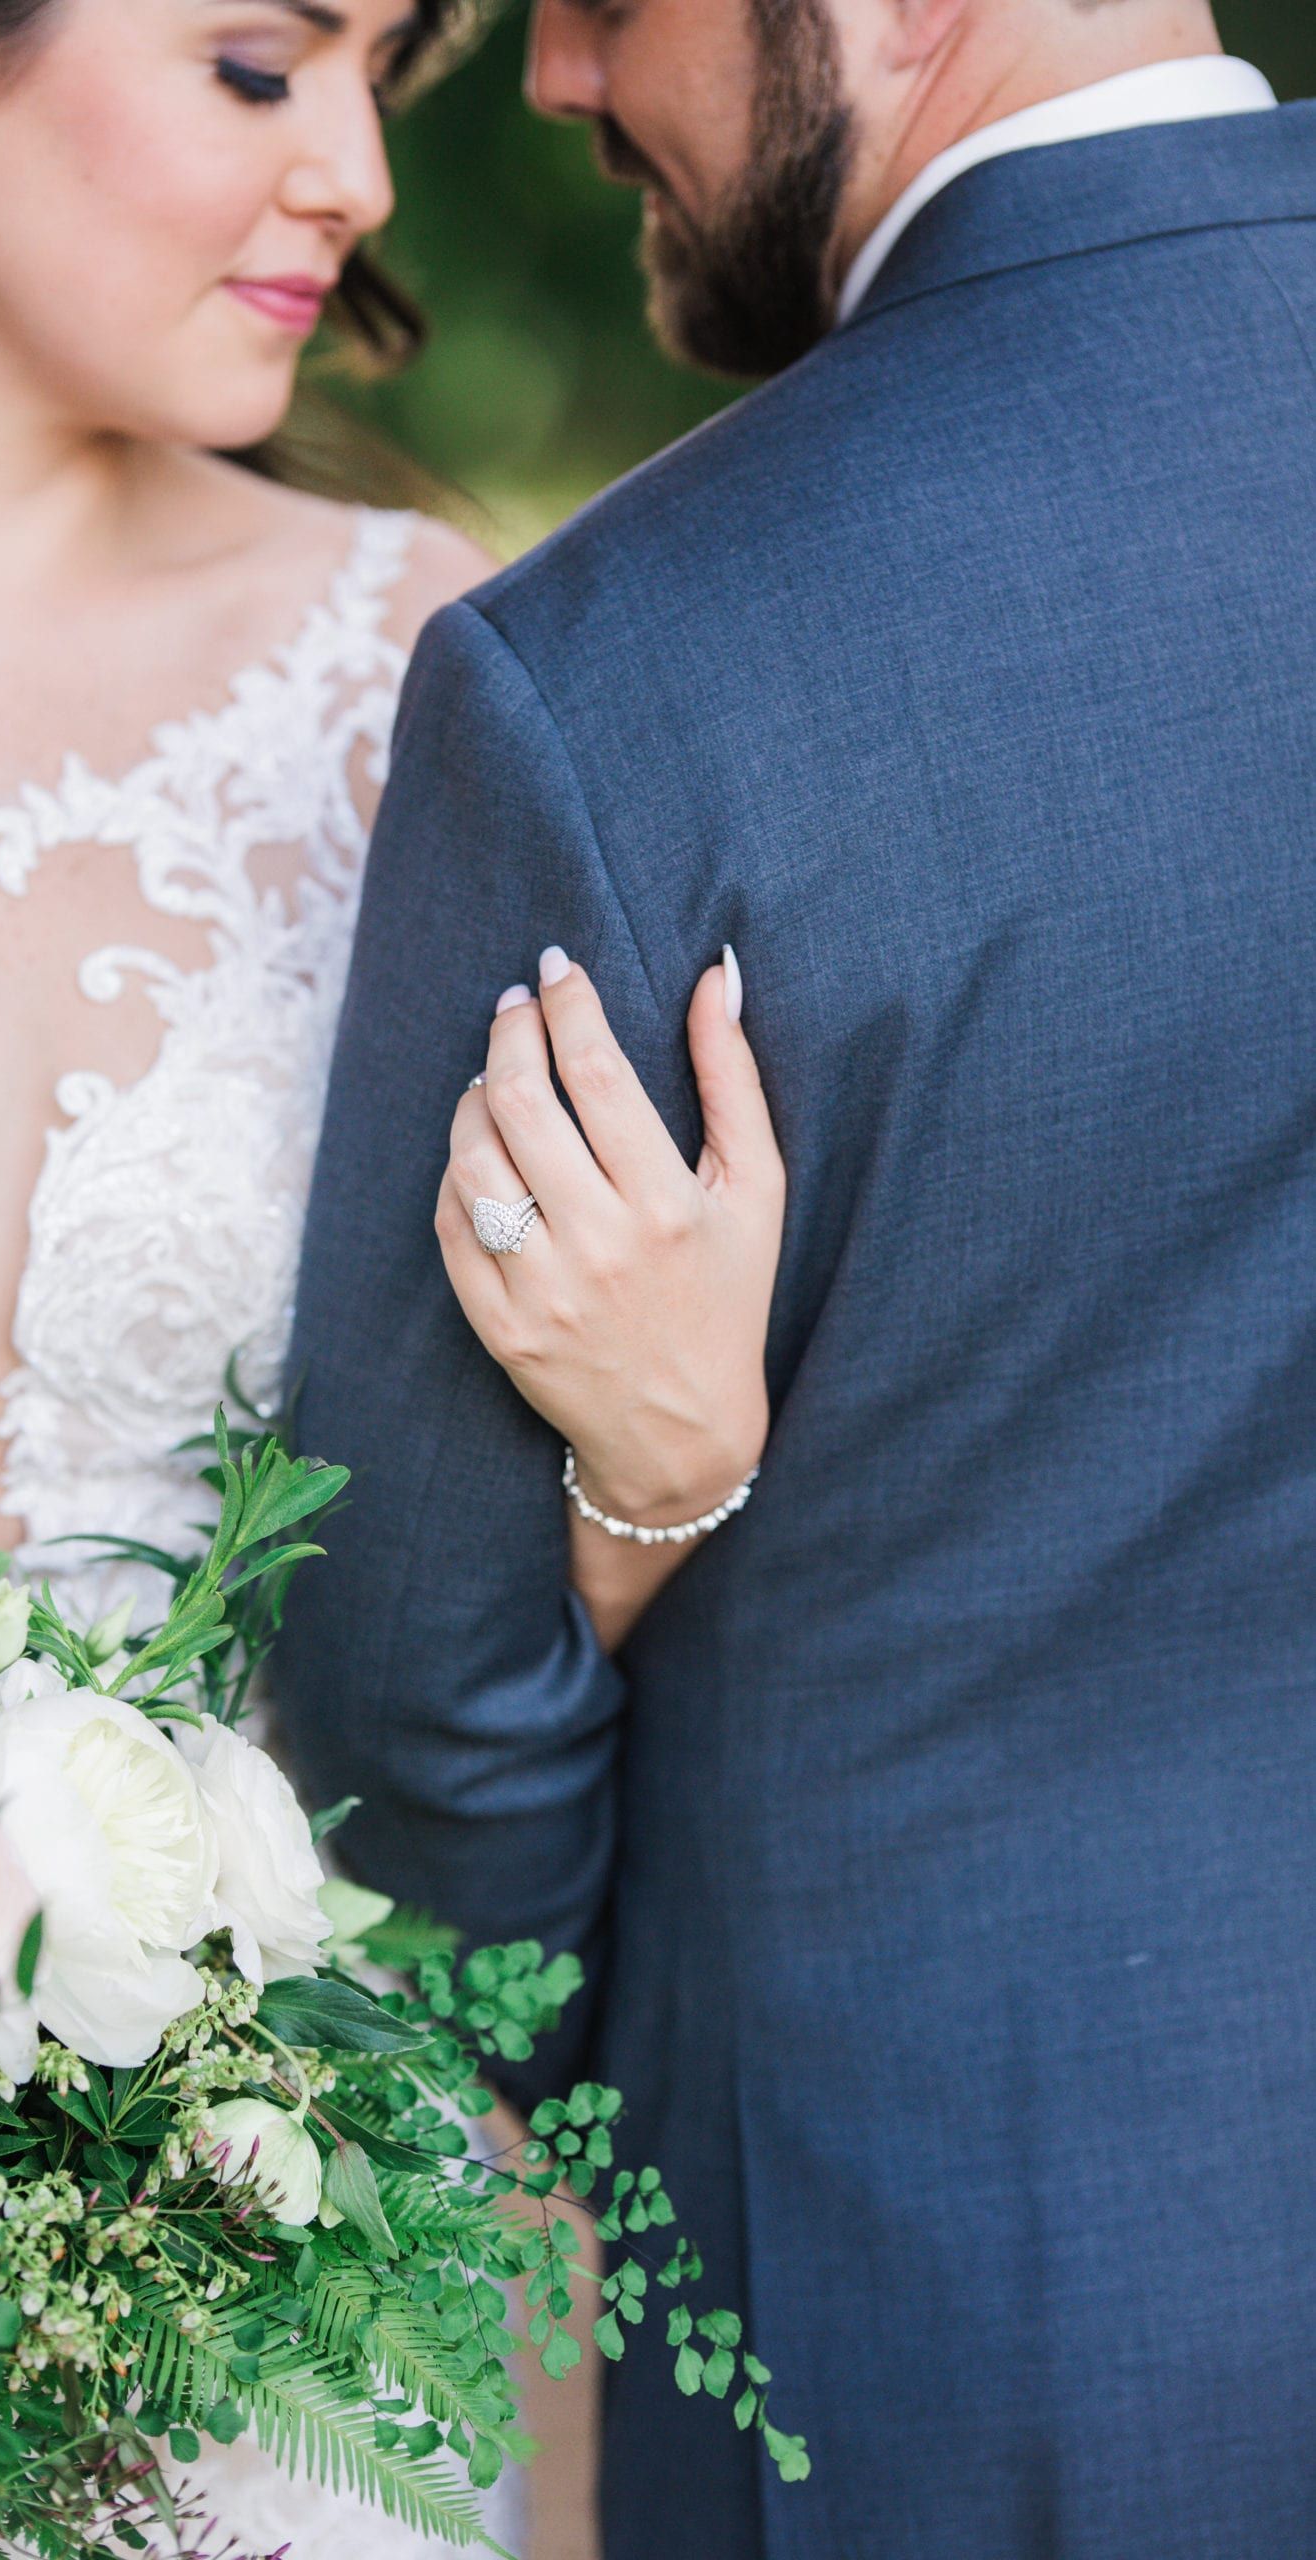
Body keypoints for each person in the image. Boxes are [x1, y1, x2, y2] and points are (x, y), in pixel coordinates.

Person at [0, 0, 756, 2548]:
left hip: (288, 2315)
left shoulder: (419, 680)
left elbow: (479, 1628)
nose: (350, 169)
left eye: (382, 76)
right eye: (262, 62)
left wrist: (663, 1453)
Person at [276, 0, 1316, 2552]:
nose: (539, 80)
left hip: (942, 2319)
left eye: (605, 0)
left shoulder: (625, 684)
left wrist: (669, 1500)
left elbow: (403, 1728)